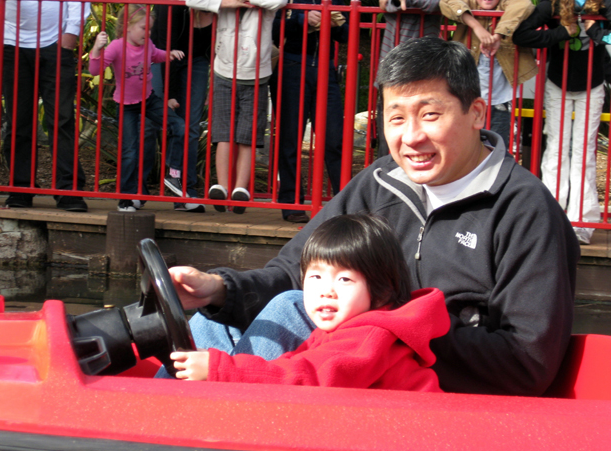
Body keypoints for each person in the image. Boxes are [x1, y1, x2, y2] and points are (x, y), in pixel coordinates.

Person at [165, 37, 580, 397]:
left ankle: (205, 433)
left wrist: (383, 333)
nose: (411, 136)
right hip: (337, 366)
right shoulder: (379, 183)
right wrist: (219, 289)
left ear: (476, 112)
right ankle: (158, 423)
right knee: (212, 322)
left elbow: (527, 363)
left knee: (292, 308)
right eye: (397, 118)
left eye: (430, 115)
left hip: (423, 400)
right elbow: (297, 271)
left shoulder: (523, 209)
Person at [168, 214, 449, 392]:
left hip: (405, 440)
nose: (326, 291)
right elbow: (297, 361)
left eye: (345, 280)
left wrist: (221, 369)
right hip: (368, 428)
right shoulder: (342, 327)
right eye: (315, 276)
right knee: (208, 320)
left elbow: (309, 377)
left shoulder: (371, 335)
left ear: (382, 291)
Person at [513, 0, 610, 245]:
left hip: (592, 85)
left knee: (583, 151)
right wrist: (561, 33)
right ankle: (552, 217)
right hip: (558, 84)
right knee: (556, 150)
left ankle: (582, 223)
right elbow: (520, 34)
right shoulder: (553, 5)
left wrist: (595, 29)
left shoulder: (604, 3)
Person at [186, 0, 287, 215]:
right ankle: (222, 187)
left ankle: (241, 189)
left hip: (256, 73)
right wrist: (225, 2)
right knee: (223, 134)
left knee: (247, 136)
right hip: (224, 70)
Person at [89, 5, 186, 212]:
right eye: (143, 28)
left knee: (179, 125)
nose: (148, 33)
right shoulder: (116, 46)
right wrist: (97, 48)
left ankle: (173, 174)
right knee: (130, 152)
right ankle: (126, 198)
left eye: (150, 29)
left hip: (148, 99)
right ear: (127, 27)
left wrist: (168, 54)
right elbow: (95, 69)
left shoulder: (147, 43)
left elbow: (155, 54)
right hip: (126, 106)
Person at [2, 0, 90, 212]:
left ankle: (69, 191)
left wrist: (72, 32)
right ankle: (20, 188)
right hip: (12, 43)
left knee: (63, 118)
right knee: (19, 120)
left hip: (55, 44)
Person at [269, 0, 348, 223]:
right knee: (290, 138)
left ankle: (344, 202)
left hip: (326, 69)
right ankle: (291, 203)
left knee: (334, 139)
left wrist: (334, 23)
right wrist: (302, 19)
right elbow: (273, 29)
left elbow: (348, 35)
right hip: (291, 67)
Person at [143, 4, 214, 213]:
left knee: (190, 127)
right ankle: (136, 190)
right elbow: (166, 48)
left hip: (198, 61)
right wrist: (170, 95)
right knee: (150, 123)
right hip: (162, 56)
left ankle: (185, 191)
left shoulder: (222, 8)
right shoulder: (174, 7)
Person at [440, 0, 537, 148]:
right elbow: (446, 2)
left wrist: (498, 34)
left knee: (497, 145)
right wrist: (476, 26)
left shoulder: (506, 4)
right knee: (464, 146)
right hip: (466, 97)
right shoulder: (470, 4)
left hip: (500, 99)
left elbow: (524, 4)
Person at [375, 0, 441, 159]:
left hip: (423, 75)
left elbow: (437, 4)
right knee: (387, 141)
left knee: (421, 137)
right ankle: (387, 180)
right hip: (391, 74)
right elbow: (386, 4)